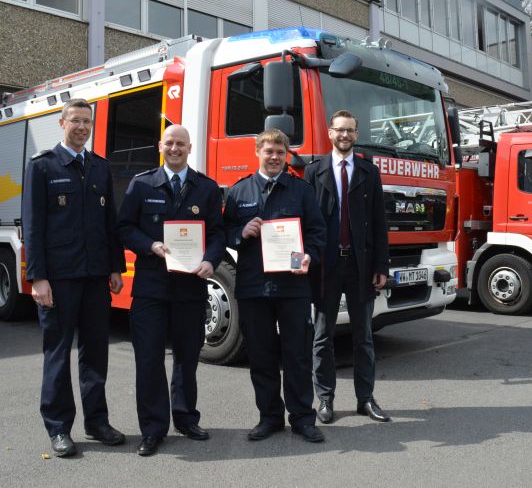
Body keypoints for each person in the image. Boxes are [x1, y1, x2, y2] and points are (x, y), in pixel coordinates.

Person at [23, 98, 126, 458]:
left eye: (87, 121)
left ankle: (97, 422)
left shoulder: (99, 167)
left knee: (96, 353)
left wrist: (116, 267)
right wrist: (37, 277)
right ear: (61, 123)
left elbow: (109, 223)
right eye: (76, 121)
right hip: (59, 279)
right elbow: (33, 226)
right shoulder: (43, 167)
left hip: (96, 277)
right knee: (57, 353)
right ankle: (59, 428)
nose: (82, 127)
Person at [117, 124, 225, 457]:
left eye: (181, 144)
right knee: (149, 359)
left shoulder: (205, 188)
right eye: (169, 143)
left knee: (187, 358)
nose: (175, 149)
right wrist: (149, 244)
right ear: (159, 146)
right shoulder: (142, 184)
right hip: (150, 287)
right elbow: (124, 227)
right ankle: (152, 429)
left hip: (191, 287)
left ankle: (186, 417)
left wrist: (210, 260)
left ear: (190, 148)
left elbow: (218, 233)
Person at [223, 129, 326, 443]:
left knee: (296, 355)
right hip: (254, 288)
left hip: (293, 287)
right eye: (268, 151)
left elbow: (318, 233)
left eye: (280, 152)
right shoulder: (238, 192)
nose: (274, 157)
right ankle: (269, 417)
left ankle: (302, 418)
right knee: (261, 356)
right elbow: (223, 233)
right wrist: (242, 231)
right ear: (257, 152)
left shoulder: (302, 191)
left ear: (286, 155)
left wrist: (310, 255)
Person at [305, 109, 391, 424]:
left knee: (363, 336)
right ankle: (325, 400)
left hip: (361, 265)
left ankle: (365, 399)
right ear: (330, 133)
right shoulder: (314, 172)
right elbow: (308, 222)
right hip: (326, 265)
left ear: (356, 135)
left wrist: (381, 264)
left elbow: (380, 223)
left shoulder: (369, 172)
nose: (344, 135)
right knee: (323, 335)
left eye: (350, 131)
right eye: (339, 130)